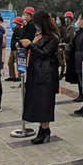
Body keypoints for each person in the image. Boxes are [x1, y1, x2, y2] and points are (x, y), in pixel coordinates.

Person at [20, 11, 60, 143]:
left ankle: (44, 130)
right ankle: (43, 129)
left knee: (45, 103)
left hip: (46, 74)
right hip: (35, 72)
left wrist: (31, 45)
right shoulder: (39, 35)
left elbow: (45, 53)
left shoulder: (53, 37)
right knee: (36, 101)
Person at [6, 17, 24, 81]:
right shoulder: (15, 30)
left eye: (15, 23)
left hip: (17, 49)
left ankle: (20, 76)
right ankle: (12, 76)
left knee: (19, 63)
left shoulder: (20, 31)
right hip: (13, 48)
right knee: (10, 62)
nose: (14, 25)